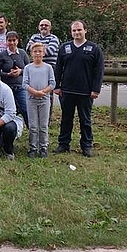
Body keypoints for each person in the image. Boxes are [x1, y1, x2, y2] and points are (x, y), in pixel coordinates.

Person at [53, 20, 104, 158]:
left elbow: (99, 71)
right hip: (67, 91)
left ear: (85, 31)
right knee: (66, 119)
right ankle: (63, 144)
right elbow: (58, 68)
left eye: (79, 30)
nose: (76, 33)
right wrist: (57, 86)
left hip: (85, 92)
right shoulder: (64, 48)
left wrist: (96, 89)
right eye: (74, 30)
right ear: (71, 32)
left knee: (85, 120)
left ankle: (86, 146)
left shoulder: (94, 49)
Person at [22, 43, 55, 158]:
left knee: (43, 125)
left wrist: (43, 92)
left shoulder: (48, 68)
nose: (37, 53)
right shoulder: (28, 68)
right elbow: (25, 84)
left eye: (40, 51)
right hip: (31, 100)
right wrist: (34, 92)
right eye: (35, 51)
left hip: (44, 100)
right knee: (33, 125)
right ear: (31, 53)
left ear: (44, 53)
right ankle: (33, 147)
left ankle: (43, 147)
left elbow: (52, 83)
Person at [26, 18, 60, 126]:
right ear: (38, 27)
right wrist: (41, 47)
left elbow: (49, 51)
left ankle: (46, 120)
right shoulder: (34, 36)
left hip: (49, 68)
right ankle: (35, 118)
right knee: (33, 92)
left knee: (47, 94)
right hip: (35, 68)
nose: (43, 27)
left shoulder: (54, 38)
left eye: (46, 25)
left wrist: (37, 46)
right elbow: (28, 47)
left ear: (50, 27)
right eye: (41, 25)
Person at [0, 31, 29, 128]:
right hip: (7, 88)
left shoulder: (22, 53)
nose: (12, 43)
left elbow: (29, 69)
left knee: (25, 109)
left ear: (17, 41)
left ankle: (32, 131)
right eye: (9, 40)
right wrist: (8, 74)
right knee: (8, 111)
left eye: (14, 40)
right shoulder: (2, 55)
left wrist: (20, 71)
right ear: (6, 42)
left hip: (20, 87)